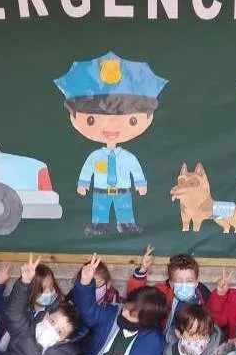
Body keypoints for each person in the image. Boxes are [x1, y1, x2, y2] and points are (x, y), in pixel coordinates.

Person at [55, 52, 167, 235]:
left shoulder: (128, 157)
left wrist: (140, 183)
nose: (111, 128)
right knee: (100, 210)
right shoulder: (95, 157)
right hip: (100, 191)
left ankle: (127, 224)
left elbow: (135, 169)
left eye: (131, 120)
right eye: (91, 119)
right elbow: (88, 169)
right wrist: (83, 183)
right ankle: (98, 225)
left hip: (123, 191)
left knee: (125, 210)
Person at [126, 245, 211, 336]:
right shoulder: (162, 292)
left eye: (189, 281)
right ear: (171, 283)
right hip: (163, 337)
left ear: (196, 282)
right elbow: (136, 297)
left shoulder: (203, 296)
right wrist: (143, 269)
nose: (184, 285)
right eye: (179, 281)